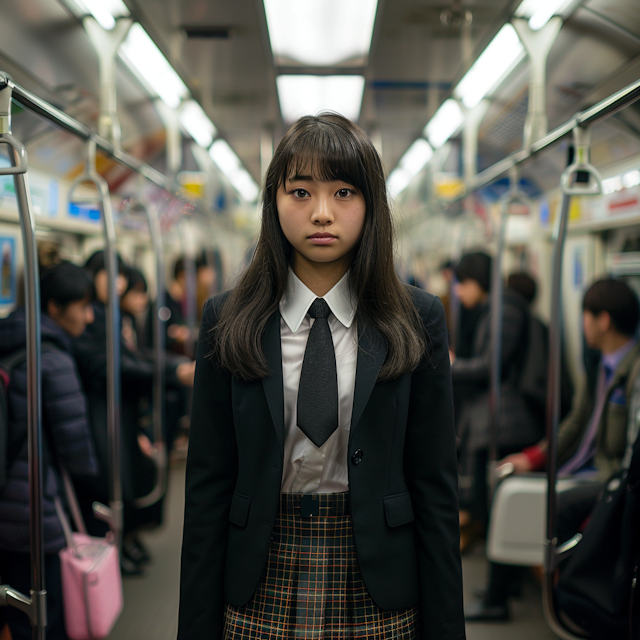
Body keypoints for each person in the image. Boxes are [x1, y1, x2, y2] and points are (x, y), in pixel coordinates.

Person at [178, 113, 466, 640]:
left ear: (371, 205)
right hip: (260, 568)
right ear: (275, 204)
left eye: (345, 192)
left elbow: (434, 485)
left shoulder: (415, 317)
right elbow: (208, 485)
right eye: (301, 192)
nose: (323, 213)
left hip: (377, 571)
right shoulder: (228, 318)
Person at [466, 278, 640, 621]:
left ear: (603, 321)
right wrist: (534, 457)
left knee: (556, 505)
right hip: (584, 467)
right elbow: (575, 425)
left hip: (610, 476)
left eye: (586, 317)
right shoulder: (598, 367)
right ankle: (502, 590)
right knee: (506, 478)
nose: (582, 325)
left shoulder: (632, 372)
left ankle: (566, 596)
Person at [73, 251, 194, 575]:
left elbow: (134, 356)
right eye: (112, 276)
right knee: (108, 483)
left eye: (121, 277)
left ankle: (120, 544)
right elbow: (112, 364)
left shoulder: (110, 315)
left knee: (124, 480)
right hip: (100, 412)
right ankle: (108, 550)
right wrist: (172, 372)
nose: (120, 284)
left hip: (118, 412)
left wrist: (173, 367)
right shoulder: (93, 318)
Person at [0, 261, 99, 640]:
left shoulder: (10, 336)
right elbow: (77, 449)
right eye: (82, 306)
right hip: (35, 509)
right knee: (45, 612)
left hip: (7, 496)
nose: (89, 317)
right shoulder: (53, 358)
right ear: (54, 308)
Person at [451, 253, 543, 548]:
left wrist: (450, 366)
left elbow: (491, 366)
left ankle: (500, 588)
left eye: (463, 283)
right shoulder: (493, 310)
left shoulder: (504, 312)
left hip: (506, 420)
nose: (458, 292)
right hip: (495, 417)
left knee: (496, 504)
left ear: (478, 281)